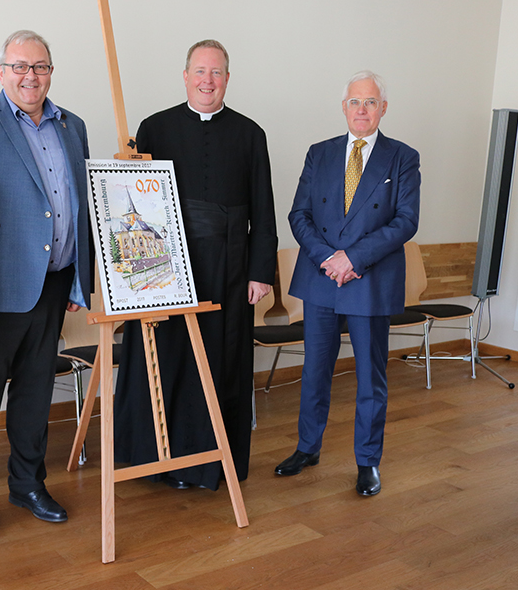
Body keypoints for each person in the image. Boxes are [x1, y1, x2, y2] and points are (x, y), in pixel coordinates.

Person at [0, 30, 91, 540]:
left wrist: (79, 279)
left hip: (53, 285)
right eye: (21, 66)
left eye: (41, 66)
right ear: (1, 71)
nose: (31, 76)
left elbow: (81, 207)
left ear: (51, 71)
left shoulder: (73, 125)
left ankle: (28, 484)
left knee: (34, 393)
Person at [113, 39, 278, 488]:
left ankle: (211, 466)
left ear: (228, 78)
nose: (208, 81)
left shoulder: (250, 133)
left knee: (220, 364)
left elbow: (263, 207)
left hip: (229, 269)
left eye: (217, 72)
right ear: (185, 76)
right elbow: (133, 200)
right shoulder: (154, 127)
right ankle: (159, 461)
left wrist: (261, 271)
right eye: (200, 72)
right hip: (167, 268)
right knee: (166, 361)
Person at [275, 70, 420, 497]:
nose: (361, 109)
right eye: (355, 101)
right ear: (344, 107)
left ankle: (367, 461)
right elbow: (298, 215)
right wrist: (328, 259)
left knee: (370, 376)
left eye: (370, 102)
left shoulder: (402, 156)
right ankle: (307, 447)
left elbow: (406, 220)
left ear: (383, 108)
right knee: (315, 369)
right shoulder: (319, 153)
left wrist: (354, 259)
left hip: (368, 280)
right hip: (322, 278)